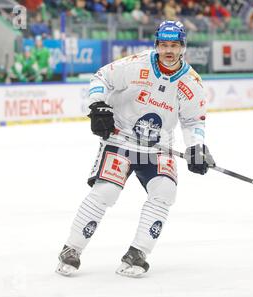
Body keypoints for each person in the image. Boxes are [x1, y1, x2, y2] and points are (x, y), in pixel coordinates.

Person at [56, 20, 215, 278]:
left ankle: (138, 252)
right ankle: (72, 248)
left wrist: (196, 147)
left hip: (158, 146)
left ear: (183, 47)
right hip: (121, 139)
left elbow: (193, 120)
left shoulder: (192, 83)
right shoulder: (135, 64)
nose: (169, 50)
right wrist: (98, 106)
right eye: (164, 45)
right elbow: (102, 77)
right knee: (106, 191)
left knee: (165, 190)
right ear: (156, 45)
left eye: (174, 45)